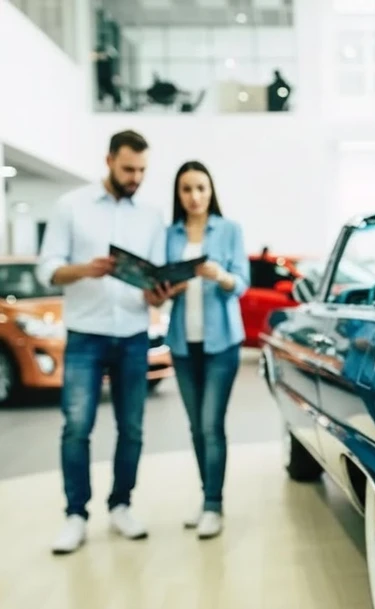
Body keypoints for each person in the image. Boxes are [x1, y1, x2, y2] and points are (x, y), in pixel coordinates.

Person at [38, 130, 172, 555]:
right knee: (77, 427)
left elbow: (154, 281)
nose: (136, 177)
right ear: (109, 160)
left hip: (133, 334)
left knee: (131, 428)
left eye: (142, 170)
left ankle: (121, 506)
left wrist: (158, 293)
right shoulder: (70, 206)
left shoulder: (151, 216)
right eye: (129, 169)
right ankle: (75, 514)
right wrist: (85, 269)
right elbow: (48, 269)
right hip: (85, 334)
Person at [163, 160, 249, 539]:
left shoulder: (230, 230)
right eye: (186, 189)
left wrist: (221, 275)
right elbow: (160, 284)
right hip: (183, 345)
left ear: (211, 191)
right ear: (178, 194)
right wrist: (170, 287)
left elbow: (242, 283)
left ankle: (214, 504)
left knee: (212, 424)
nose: (194, 196)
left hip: (221, 345)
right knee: (196, 427)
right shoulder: (170, 234)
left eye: (201, 188)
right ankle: (206, 498)